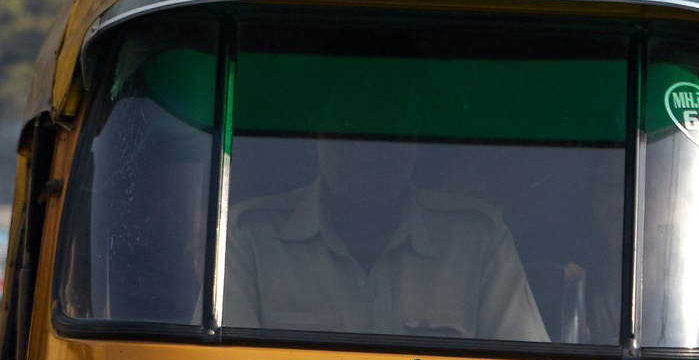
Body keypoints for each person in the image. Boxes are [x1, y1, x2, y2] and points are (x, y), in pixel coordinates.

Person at [224, 139, 547, 343]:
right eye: (349, 130)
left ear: (418, 139)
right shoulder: (251, 236)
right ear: (314, 134)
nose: (369, 154)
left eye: (388, 132)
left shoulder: (477, 239)